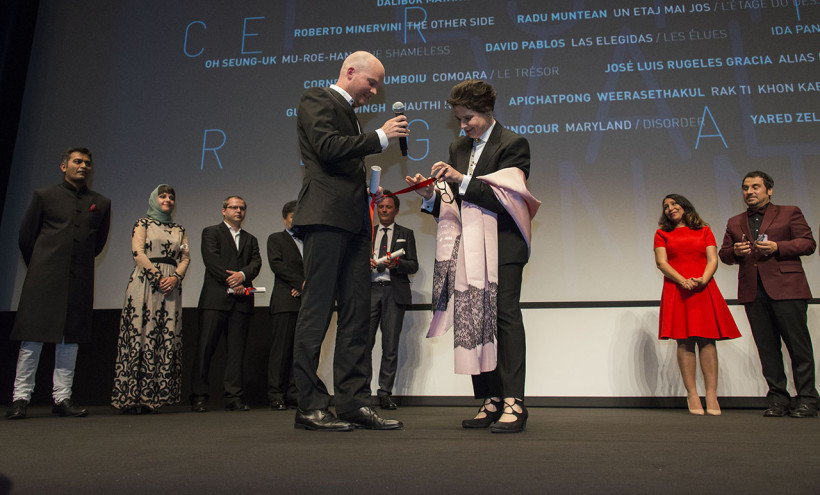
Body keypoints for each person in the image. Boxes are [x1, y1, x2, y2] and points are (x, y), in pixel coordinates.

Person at [405, 80, 539, 433]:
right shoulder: (458, 147)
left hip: (505, 246)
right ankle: (490, 399)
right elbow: (453, 204)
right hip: (468, 246)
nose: (463, 126)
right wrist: (431, 196)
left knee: (504, 317)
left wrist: (461, 179)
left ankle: (514, 402)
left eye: (468, 119)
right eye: (460, 120)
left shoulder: (513, 145)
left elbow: (507, 200)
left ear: (486, 111)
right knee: (474, 317)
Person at [291, 50, 408, 431]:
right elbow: (326, 148)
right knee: (318, 312)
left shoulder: (354, 119)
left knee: (357, 314)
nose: (374, 91)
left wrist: (367, 190)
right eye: (370, 82)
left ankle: (352, 402)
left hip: (356, 223)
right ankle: (309, 405)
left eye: (378, 86)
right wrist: (379, 137)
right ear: (349, 71)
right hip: (325, 220)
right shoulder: (316, 99)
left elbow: (343, 159)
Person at [5, 147, 111, 420]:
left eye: (87, 163)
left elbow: (97, 244)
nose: (83, 166)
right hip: (44, 278)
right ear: (64, 166)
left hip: (79, 280)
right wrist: (42, 266)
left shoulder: (100, 203)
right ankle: (20, 398)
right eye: (77, 161)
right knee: (32, 339)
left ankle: (62, 397)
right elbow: (26, 237)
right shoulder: (44, 196)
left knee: (70, 340)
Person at [719, 171, 819, 418]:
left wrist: (778, 247)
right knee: (767, 349)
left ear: (769, 190)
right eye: (745, 188)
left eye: (755, 187)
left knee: (798, 347)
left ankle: (807, 399)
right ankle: (778, 399)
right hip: (754, 291)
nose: (749, 192)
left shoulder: (789, 212)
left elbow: (808, 243)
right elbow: (724, 254)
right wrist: (736, 251)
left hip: (787, 288)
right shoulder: (735, 221)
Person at [653, 194, 741, 416]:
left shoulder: (704, 230)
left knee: (707, 340)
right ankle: (692, 394)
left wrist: (703, 279)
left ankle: (711, 394)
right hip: (677, 288)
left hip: (703, 287)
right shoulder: (662, 233)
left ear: (685, 206)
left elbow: (713, 259)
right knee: (684, 342)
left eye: (674, 204)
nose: (670, 208)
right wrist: (682, 280)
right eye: (666, 206)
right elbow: (661, 262)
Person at [111, 184, 190, 414]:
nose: (167, 200)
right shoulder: (142, 223)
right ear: (154, 199)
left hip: (171, 288)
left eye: (171, 197)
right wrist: (157, 277)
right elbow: (138, 253)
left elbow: (185, 257)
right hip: (145, 284)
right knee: (140, 334)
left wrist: (175, 277)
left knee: (164, 337)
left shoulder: (180, 229)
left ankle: (154, 397)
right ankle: (130, 397)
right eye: (163, 196)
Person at [190, 196, 261, 412]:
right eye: (234, 207)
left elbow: (256, 263)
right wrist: (232, 280)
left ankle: (233, 397)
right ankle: (199, 396)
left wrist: (242, 275)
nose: (238, 211)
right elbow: (211, 260)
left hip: (241, 303)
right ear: (224, 210)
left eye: (242, 208)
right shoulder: (211, 232)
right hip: (215, 300)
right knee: (205, 350)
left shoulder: (250, 238)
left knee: (236, 353)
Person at [368, 192, 418, 410]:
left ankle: (384, 393)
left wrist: (397, 265)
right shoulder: (366, 233)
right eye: (381, 207)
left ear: (396, 210)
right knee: (364, 345)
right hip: (369, 292)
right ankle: (360, 392)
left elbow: (414, 265)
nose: (384, 210)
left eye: (389, 207)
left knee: (390, 346)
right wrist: (364, 263)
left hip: (393, 292)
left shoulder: (406, 233)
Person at [266, 200, 303, 411]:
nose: (296, 220)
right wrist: (300, 283)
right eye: (293, 216)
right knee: (280, 351)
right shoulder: (276, 239)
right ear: (285, 218)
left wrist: (305, 286)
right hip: (285, 301)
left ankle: (294, 392)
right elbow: (277, 265)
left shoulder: (309, 239)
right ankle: (275, 394)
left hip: (305, 303)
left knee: (299, 351)